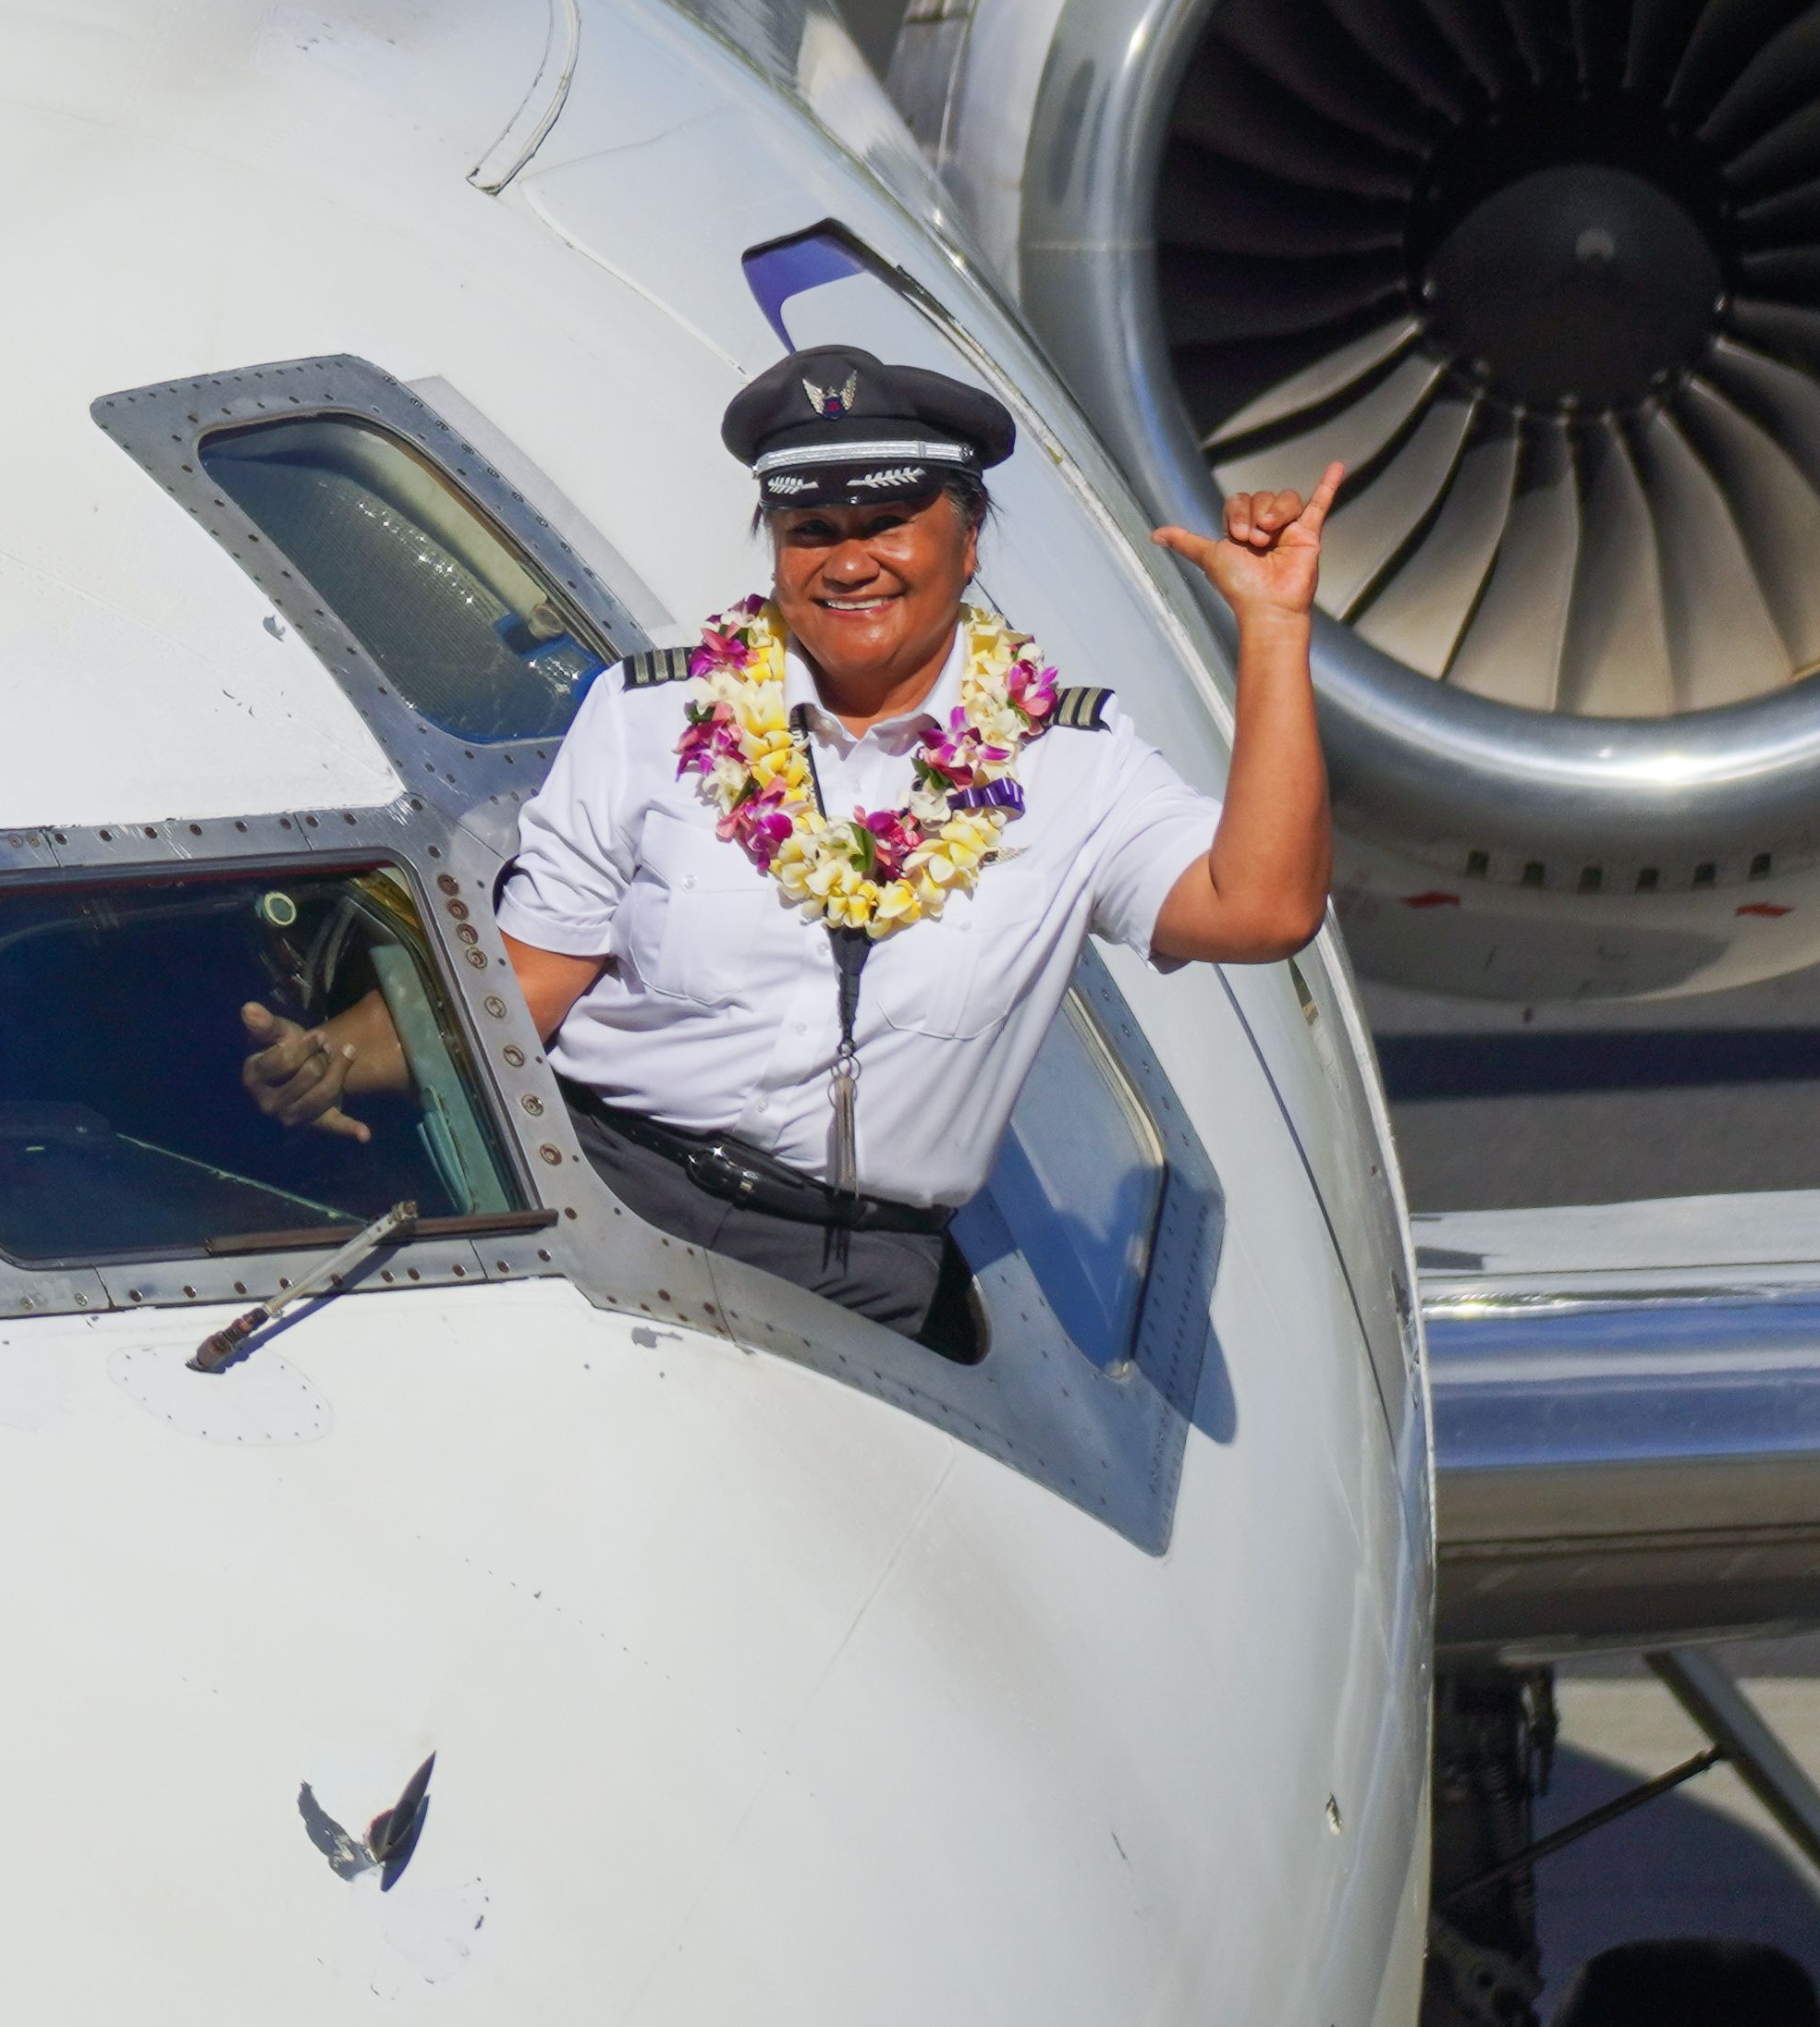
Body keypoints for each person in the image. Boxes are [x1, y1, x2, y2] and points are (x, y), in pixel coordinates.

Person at [242, 346, 1333, 1333]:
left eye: (887, 525)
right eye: (812, 531)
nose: (848, 562)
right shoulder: (652, 715)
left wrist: (1275, 632)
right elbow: (532, 977)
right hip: (613, 1192)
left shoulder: (1068, 758)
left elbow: (1264, 910)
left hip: (864, 1264)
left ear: (968, 539)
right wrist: (337, 1055)